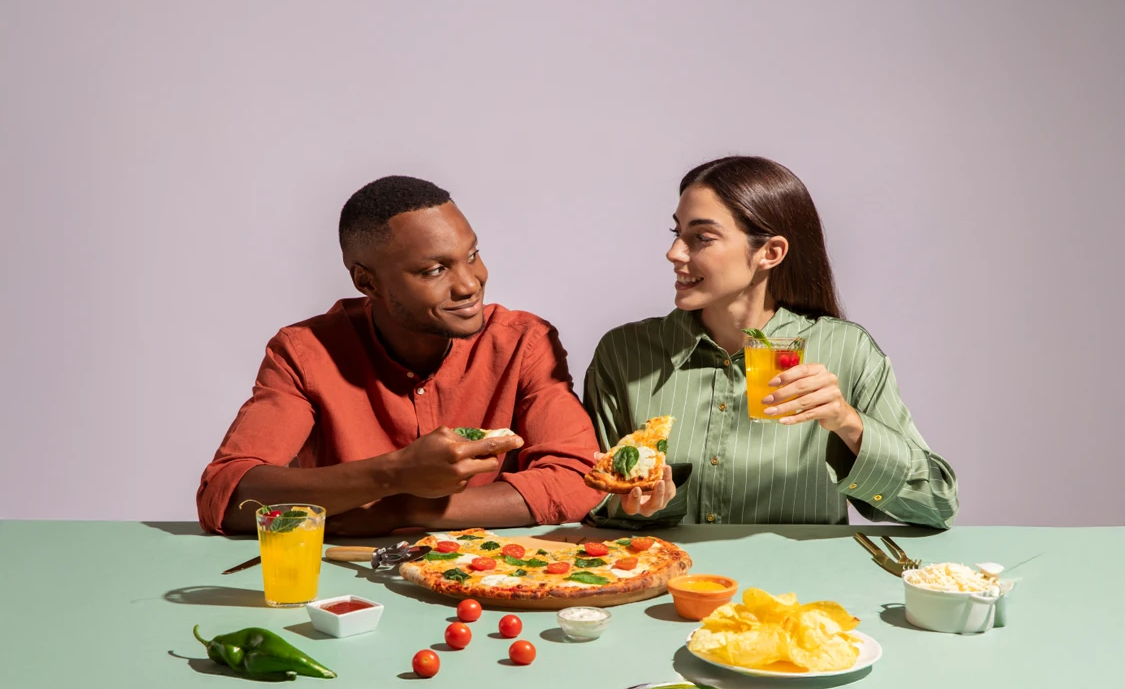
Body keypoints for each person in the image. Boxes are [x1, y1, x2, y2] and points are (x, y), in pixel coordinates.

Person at [198, 176, 604, 535]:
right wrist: (395, 473)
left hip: (492, 581)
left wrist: (405, 507)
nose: (469, 284)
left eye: (472, 255)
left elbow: (578, 479)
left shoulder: (523, 343)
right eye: (434, 271)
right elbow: (228, 494)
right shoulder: (305, 354)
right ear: (366, 281)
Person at [583, 156, 958, 529]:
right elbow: (592, 499)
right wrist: (647, 503)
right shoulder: (624, 354)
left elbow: (937, 506)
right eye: (676, 233)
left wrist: (848, 423)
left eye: (701, 238)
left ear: (770, 253)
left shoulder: (847, 351)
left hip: (802, 589)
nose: (675, 253)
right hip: (669, 582)